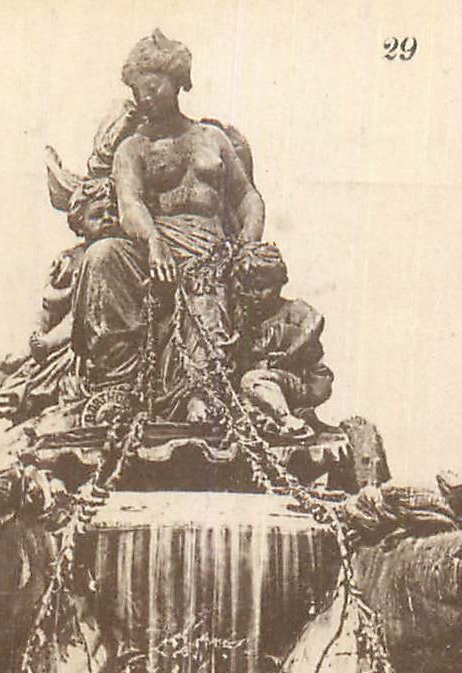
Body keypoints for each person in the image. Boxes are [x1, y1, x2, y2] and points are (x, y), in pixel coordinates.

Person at [70, 30, 267, 421]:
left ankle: (197, 394)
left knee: (206, 294)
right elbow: (130, 204)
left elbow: (247, 197)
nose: (145, 98)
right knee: (102, 255)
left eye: (154, 87)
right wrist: (155, 242)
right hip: (154, 247)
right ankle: (118, 383)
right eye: (139, 90)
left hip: (211, 251)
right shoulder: (133, 149)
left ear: (179, 82)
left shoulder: (213, 139)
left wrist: (247, 244)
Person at [0, 177, 121, 425]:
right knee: (30, 368)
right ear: (79, 224)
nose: (108, 219)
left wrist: (47, 342)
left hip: (89, 338)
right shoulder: (70, 260)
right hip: (63, 338)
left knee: (60, 363)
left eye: (113, 212)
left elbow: (81, 315)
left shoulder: (119, 259)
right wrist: (34, 338)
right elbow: (48, 308)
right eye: (98, 214)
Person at [230, 244, 333, 440]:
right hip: (268, 384)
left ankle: (290, 423)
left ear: (280, 282)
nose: (255, 296)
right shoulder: (247, 318)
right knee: (245, 394)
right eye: (248, 289)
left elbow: (316, 321)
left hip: (300, 382)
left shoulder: (293, 309)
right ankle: (268, 422)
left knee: (252, 381)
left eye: (261, 288)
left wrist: (288, 354)